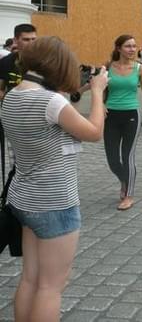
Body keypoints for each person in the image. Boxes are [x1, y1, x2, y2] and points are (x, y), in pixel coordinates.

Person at [2, 36, 108, 322]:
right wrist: (97, 91)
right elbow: (95, 131)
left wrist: (82, 88)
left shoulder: (12, 95)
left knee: (30, 279)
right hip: (55, 202)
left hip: (24, 199)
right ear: (57, 64)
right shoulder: (49, 102)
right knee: (51, 287)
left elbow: (59, 109)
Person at [104, 35, 142, 211]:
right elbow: (99, 88)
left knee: (128, 157)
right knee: (112, 160)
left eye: (133, 46)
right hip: (111, 117)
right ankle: (125, 180)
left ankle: (129, 195)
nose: (131, 49)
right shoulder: (108, 67)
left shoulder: (140, 69)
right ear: (118, 48)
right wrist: (100, 104)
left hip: (131, 116)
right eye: (127, 46)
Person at [0, 23, 36, 99]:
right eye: (26, 40)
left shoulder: (44, 61)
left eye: (33, 39)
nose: (31, 43)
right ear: (15, 40)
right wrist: (11, 101)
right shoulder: (5, 61)